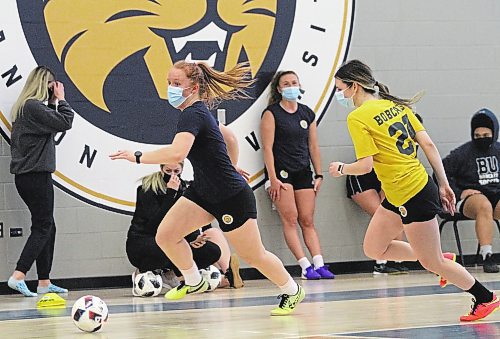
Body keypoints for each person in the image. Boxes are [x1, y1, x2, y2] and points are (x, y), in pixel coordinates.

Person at [111, 60, 304, 316]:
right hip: (202, 192)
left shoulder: (194, 113)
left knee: (253, 254)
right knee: (166, 236)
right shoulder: (198, 113)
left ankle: (292, 290)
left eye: (177, 84)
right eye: (169, 83)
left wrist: (136, 156)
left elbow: (177, 153)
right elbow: (229, 137)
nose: (171, 88)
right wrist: (230, 165)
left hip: (230, 197)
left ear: (194, 87)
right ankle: (194, 280)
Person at [328, 59, 498, 322]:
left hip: (412, 192)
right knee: (374, 249)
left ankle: (485, 297)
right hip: (401, 192)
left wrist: (341, 168)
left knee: (433, 263)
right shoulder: (397, 107)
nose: (341, 95)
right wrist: (442, 182)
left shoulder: (358, 117)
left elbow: (364, 166)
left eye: (341, 89)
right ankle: (442, 258)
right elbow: (428, 144)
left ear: (355, 86)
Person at [260, 71, 334, 280]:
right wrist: (273, 178)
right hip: (281, 173)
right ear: (279, 89)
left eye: (294, 82)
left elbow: (313, 146)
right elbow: (267, 147)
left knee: (307, 219)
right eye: (286, 83)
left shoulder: (307, 113)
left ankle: (319, 263)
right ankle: (304, 266)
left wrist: (319, 174)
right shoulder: (271, 113)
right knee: (290, 219)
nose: (291, 86)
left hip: (303, 171)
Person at [8, 66, 74, 297]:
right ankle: (19, 275)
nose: (53, 90)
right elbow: (65, 121)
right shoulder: (33, 107)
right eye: (52, 85)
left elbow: (54, 123)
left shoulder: (25, 109)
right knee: (43, 226)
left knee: (48, 226)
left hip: (29, 176)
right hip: (35, 175)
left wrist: (54, 103)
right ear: (45, 84)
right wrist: (62, 99)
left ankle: (44, 282)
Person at [126, 162, 243, 293]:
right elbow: (155, 225)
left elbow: (188, 220)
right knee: (163, 250)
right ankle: (148, 272)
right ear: (161, 169)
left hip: (172, 241)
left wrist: (195, 238)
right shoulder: (146, 189)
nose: (172, 175)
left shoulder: (186, 189)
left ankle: (181, 275)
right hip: (144, 241)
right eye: (168, 171)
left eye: (176, 171)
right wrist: (171, 194)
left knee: (212, 251)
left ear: (182, 169)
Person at [442, 108, 500, 273]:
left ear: (494, 133)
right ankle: (487, 255)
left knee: (489, 205)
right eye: (477, 136)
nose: (481, 139)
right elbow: (440, 174)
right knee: (483, 205)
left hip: (496, 195)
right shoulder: (462, 153)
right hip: (471, 199)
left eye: (486, 136)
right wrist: (459, 192)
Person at [346, 170, 408, 275]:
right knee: (383, 219)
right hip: (363, 176)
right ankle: (380, 263)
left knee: (395, 215)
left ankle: (396, 260)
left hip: (386, 175)